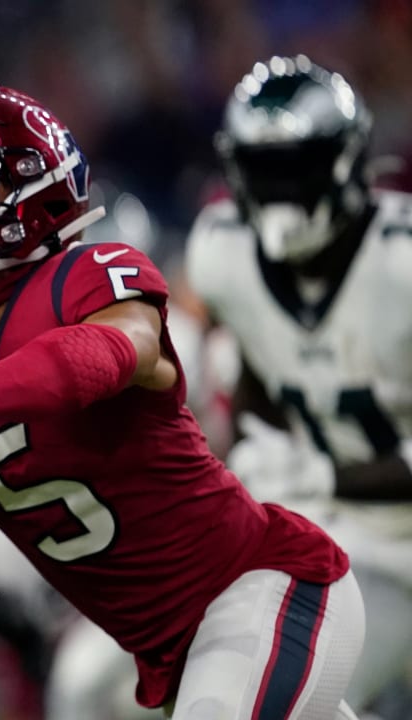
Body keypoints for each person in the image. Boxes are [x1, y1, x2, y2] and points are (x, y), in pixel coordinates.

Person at [0, 84, 367, 718]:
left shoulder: (88, 276)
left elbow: (114, 349)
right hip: (167, 649)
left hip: (262, 589)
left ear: (33, 189)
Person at [187, 56, 412, 717]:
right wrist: (260, 444)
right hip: (342, 543)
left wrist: (325, 476)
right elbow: (264, 355)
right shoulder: (222, 254)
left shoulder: (401, 264)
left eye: (296, 169)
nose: (280, 191)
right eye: (264, 172)